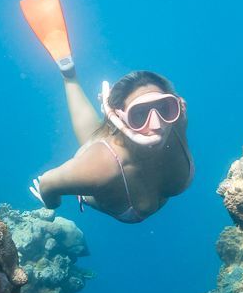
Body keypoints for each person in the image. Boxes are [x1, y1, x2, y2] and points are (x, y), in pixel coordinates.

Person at [30, 69, 193, 223]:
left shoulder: (176, 120)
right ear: (119, 118)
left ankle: (117, 117)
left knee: (99, 133)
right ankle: (69, 78)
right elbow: (47, 183)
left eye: (164, 107)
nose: (157, 125)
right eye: (139, 114)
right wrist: (51, 204)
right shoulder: (101, 168)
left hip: (116, 133)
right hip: (103, 162)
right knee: (92, 140)